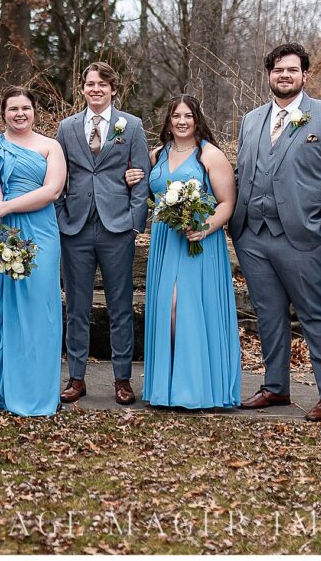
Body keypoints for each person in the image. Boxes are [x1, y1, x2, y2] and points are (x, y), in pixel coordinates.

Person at [228, 42, 321, 422]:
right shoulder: (251, 119)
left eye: (292, 70)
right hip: (253, 235)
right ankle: (275, 386)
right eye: (278, 70)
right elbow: (242, 172)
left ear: (305, 75)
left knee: (316, 315)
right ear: (269, 75)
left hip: (306, 237)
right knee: (268, 315)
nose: (284, 75)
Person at [137, 95, 241, 410]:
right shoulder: (157, 154)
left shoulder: (210, 155)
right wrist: (133, 178)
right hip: (165, 241)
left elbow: (227, 203)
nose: (182, 122)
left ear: (197, 119)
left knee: (187, 310)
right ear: (168, 120)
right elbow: (148, 192)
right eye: (176, 116)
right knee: (166, 312)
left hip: (198, 242)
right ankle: (166, 389)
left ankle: (195, 387)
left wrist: (206, 228)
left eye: (188, 116)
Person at [55, 62, 150, 406]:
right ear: (82, 89)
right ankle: (76, 377)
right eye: (90, 84)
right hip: (75, 227)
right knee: (77, 307)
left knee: (120, 306)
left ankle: (122, 378)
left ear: (113, 89)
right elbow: (58, 176)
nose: (96, 89)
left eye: (102, 84)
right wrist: (60, 216)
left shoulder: (132, 126)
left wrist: (133, 221)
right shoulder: (66, 128)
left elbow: (142, 175)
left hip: (116, 228)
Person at [0, 87, 66, 416]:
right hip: (4, 232)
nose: (19, 113)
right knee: (8, 309)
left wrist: (5, 207)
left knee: (40, 310)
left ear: (35, 111)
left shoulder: (50, 146)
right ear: (2, 113)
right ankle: (8, 389)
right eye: (12, 108)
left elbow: (52, 191)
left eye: (25, 108)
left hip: (42, 233)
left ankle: (40, 391)